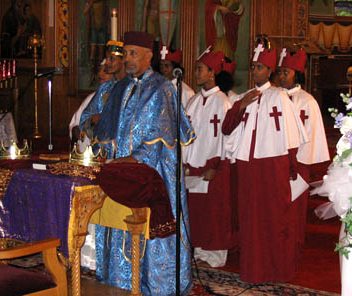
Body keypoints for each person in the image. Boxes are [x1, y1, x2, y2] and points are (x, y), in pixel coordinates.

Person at [93, 31, 195, 295]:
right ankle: (119, 282)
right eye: (125, 53)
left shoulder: (162, 88)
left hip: (152, 174)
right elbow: (108, 130)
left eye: (132, 53)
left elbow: (159, 138)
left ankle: (155, 286)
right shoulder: (120, 87)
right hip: (121, 171)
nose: (127, 59)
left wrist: (133, 159)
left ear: (149, 56)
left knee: (148, 232)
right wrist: (104, 152)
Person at [222, 41, 308, 283]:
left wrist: (292, 169)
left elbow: (291, 137)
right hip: (247, 165)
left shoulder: (280, 97)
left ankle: (276, 270)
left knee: (273, 218)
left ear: (269, 70)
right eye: (252, 66)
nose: (255, 71)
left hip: (273, 165)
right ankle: (252, 270)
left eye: (260, 67)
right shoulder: (242, 97)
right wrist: (240, 106)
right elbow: (227, 129)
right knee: (249, 218)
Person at [183, 49, 235, 267]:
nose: (196, 73)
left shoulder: (222, 102)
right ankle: (197, 252)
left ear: (212, 73)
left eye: (200, 69)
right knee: (196, 212)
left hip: (213, 166)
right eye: (196, 69)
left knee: (214, 212)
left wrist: (218, 165)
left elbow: (228, 138)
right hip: (192, 166)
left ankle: (214, 256)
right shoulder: (194, 101)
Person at [278, 48, 330, 256]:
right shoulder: (275, 98)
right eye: (280, 72)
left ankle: (294, 246)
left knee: (295, 209)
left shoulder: (308, 101)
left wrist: (301, 163)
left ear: (296, 74)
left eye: (286, 72)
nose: (281, 77)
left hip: (299, 163)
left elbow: (313, 135)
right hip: (277, 161)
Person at [79, 40, 126, 146]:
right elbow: (86, 117)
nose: (107, 62)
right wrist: (92, 120)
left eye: (112, 59)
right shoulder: (105, 88)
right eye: (107, 58)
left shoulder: (132, 87)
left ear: (123, 60)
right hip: (102, 147)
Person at [69, 59, 112, 149]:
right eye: (99, 70)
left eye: (105, 71)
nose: (100, 74)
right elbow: (75, 125)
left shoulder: (123, 96)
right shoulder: (91, 98)